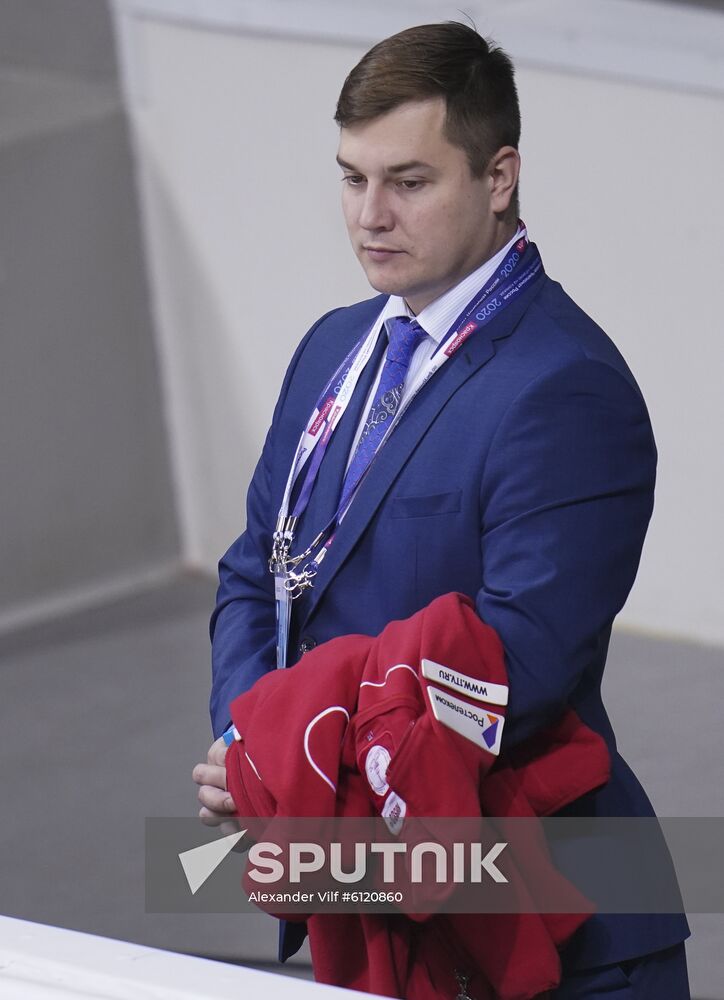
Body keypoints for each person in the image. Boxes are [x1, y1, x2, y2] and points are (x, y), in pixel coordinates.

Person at [192, 21, 690, 997]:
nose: (369, 215)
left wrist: (296, 760)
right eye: (350, 178)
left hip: (547, 927)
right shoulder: (331, 348)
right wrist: (252, 739)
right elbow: (259, 571)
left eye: (408, 182)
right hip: (368, 894)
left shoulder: (565, 387)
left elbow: (516, 665)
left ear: (497, 177)